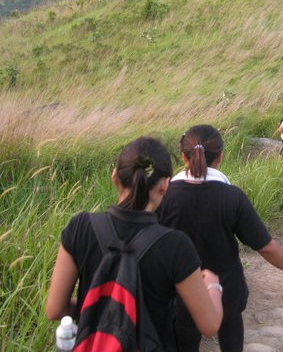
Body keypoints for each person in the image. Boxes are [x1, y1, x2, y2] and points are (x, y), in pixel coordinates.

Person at [46, 137, 223, 349]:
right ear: (165, 185)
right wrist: (213, 285)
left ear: (114, 177)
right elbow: (210, 325)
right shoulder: (176, 245)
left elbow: (54, 310)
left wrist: (102, 311)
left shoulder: (80, 227)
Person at [158, 125, 283, 352]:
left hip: (181, 293)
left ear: (183, 156)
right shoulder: (232, 197)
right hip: (227, 289)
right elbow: (264, 246)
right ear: (220, 158)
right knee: (232, 342)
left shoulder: (165, 196)